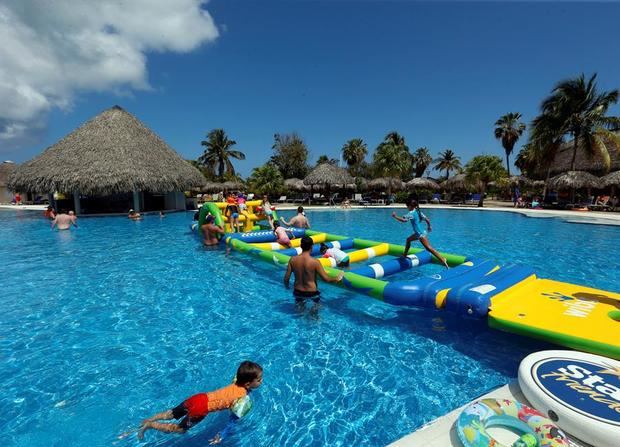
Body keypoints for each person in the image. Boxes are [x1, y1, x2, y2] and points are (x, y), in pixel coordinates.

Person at [135, 361, 263, 443]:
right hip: (200, 409)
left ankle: (147, 420)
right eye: (259, 380)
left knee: (171, 414)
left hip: (198, 397)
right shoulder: (242, 399)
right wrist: (222, 435)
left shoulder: (236, 380)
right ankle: (151, 425)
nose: (261, 382)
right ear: (248, 383)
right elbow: (232, 421)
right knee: (179, 430)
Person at [284, 236, 344, 303]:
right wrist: (337, 278)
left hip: (298, 291)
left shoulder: (292, 260)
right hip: (311, 293)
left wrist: (287, 287)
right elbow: (326, 279)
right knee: (315, 309)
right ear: (311, 247)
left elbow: (286, 278)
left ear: (301, 246)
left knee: (300, 309)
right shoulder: (315, 262)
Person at [391, 200, 449, 269]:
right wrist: (429, 226)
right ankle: (404, 255)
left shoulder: (411, 214)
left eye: (407, 206)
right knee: (408, 240)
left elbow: (404, 220)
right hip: (420, 232)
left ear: (410, 206)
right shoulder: (418, 212)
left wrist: (395, 216)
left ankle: (442, 259)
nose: (407, 208)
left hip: (420, 234)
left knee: (429, 248)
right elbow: (427, 219)